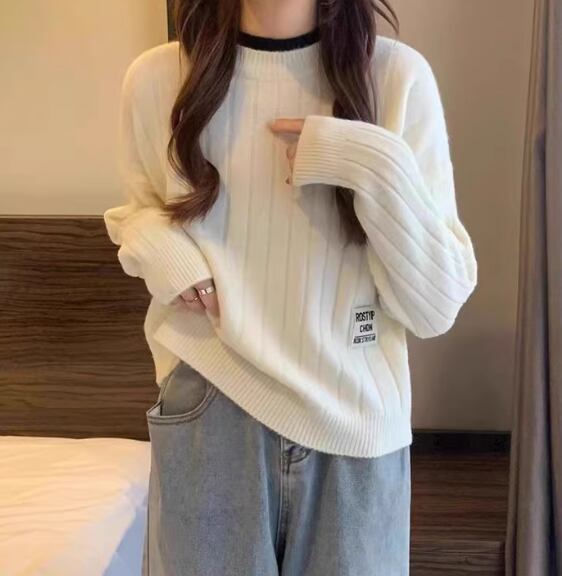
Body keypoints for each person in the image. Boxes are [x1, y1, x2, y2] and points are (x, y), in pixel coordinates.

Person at [103, 0, 478, 574]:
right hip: (211, 399)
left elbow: (436, 306)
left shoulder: (396, 78)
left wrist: (370, 163)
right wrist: (164, 251)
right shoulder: (158, 80)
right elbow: (138, 210)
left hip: (355, 416)